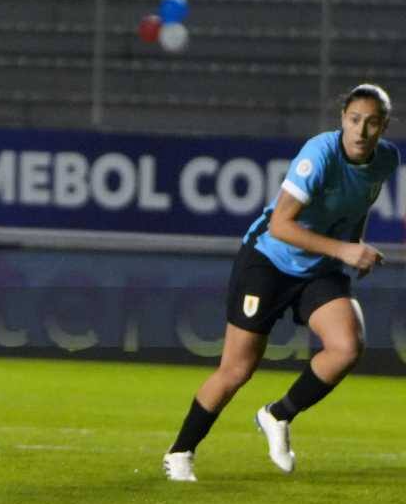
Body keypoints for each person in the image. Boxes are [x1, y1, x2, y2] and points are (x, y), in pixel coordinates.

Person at [162, 84, 400, 482]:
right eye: (354, 119)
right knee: (237, 369)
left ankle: (277, 415)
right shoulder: (319, 154)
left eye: (372, 123)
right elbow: (280, 225)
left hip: (319, 266)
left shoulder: (386, 160)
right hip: (269, 261)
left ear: (384, 127)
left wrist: (353, 244)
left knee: (347, 346)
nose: (361, 131)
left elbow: (359, 204)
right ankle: (180, 451)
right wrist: (343, 250)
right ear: (342, 119)